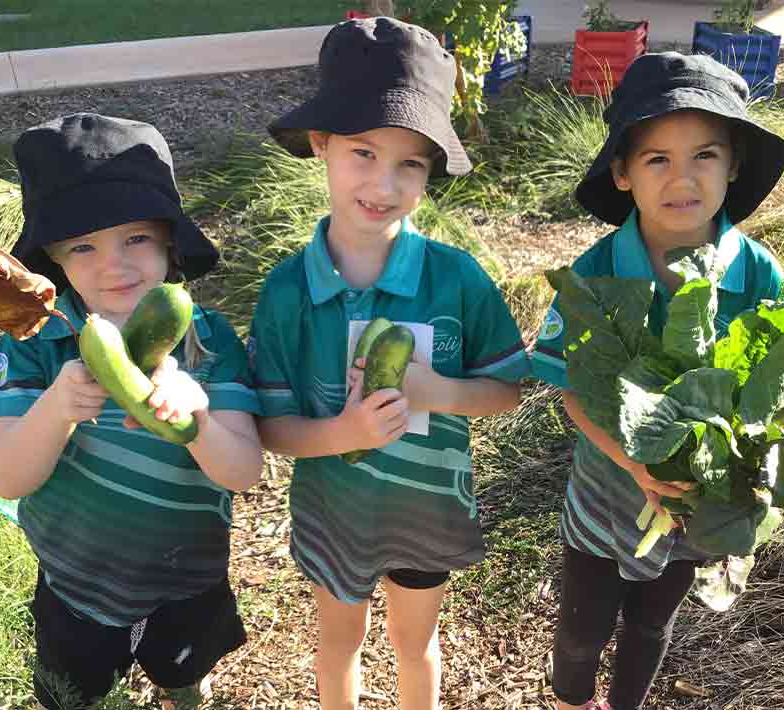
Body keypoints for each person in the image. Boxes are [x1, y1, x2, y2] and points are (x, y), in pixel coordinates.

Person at [251, 17, 528, 710]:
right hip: (333, 509)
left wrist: (434, 389)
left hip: (425, 510)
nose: (383, 182)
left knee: (415, 645)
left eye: (409, 162)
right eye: (363, 153)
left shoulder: (456, 278)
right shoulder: (288, 290)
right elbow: (271, 425)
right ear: (321, 144)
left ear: (431, 170)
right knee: (337, 644)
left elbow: (506, 391)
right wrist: (342, 435)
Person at [0, 113, 264, 710]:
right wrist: (56, 409)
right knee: (74, 690)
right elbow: (6, 478)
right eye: (84, 245)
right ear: (54, 260)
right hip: (75, 584)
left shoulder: (210, 342)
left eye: (134, 237)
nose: (114, 265)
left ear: (168, 243)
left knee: (183, 665)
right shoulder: (37, 344)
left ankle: (183, 687)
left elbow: (242, 472)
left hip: (189, 578)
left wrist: (200, 419)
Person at [530, 52, 784, 710]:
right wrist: (637, 465)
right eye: (656, 159)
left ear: (732, 166)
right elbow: (573, 391)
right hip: (603, 493)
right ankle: (570, 700)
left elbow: (770, 399)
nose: (683, 179)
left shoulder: (759, 277)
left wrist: (746, 471)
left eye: (704, 155)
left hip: (692, 505)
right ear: (621, 172)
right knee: (581, 630)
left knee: (651, 622)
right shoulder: (592, 275)